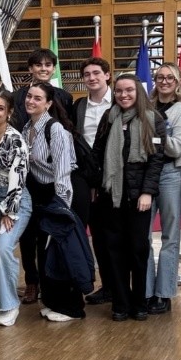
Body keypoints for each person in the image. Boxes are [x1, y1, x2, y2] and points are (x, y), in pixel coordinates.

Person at [92, 74, 166, 321]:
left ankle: (139, 302)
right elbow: (98, 153)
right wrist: (98, 184)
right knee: (115, 250)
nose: (123, 95)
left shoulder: (153, 118)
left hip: (138, 198)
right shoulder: (109, 117)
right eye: (119, 92)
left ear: (139, 93)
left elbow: (156, 160)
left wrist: (147, 192)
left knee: (138, 249)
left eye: (129, 91)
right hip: (111, 196)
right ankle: (121, 303)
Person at [23, 81, 90, 321]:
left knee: (62, 249)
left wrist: (61, 212)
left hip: (64, 195)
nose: (31, 101)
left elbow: (62, 174)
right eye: (29, 96)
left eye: (37, 98)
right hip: (42, 195)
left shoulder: (56, 130)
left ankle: (72, 308)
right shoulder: (26, 128)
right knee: (45, 250)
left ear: (49, 103)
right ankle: (53, 302)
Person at [13, 48, 76, 305]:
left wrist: (64, 206)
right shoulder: (24, 117)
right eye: (29, 96)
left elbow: (63, 168)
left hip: (52, 188)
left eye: (48, 64)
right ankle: (32, 283)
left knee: (48, 239)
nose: (31, 101)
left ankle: (53, 287)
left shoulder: (59, 117)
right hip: (28, 184)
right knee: (27, 237)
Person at [145, 63, 181, 315]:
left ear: (178, 82)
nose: (164, 81)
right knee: (142, 234)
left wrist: (153, 138)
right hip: (144, 176)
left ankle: (163, 293)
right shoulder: (146, 106)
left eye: (170, 78)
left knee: (169, 236)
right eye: (160, 77)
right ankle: (145, 290)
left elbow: (177, 147)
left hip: (171, 174)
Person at [0, 90, 30, 327]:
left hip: (15, 200)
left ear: (9, 112)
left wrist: (10, 211)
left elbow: (18, 176)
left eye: (0, 108)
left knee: (2, 248)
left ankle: (11, 304)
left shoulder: (15, 139)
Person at [74, 57, 113, 306]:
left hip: (112, 176)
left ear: (107, 75)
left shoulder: (119, 102)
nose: (92, 77)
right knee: (96, 234)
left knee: (113, 235)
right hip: (85, 176)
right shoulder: (78, 106)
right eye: (87, 74)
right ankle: (104, 285)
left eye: (96, 73)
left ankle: (119, 284)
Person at [11, 48, 75, 131]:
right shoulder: (15, 97)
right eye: (38, 65)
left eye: (48, 65)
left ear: (54, 69)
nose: (43, 69)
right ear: (30, 68)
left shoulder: (65, 97)